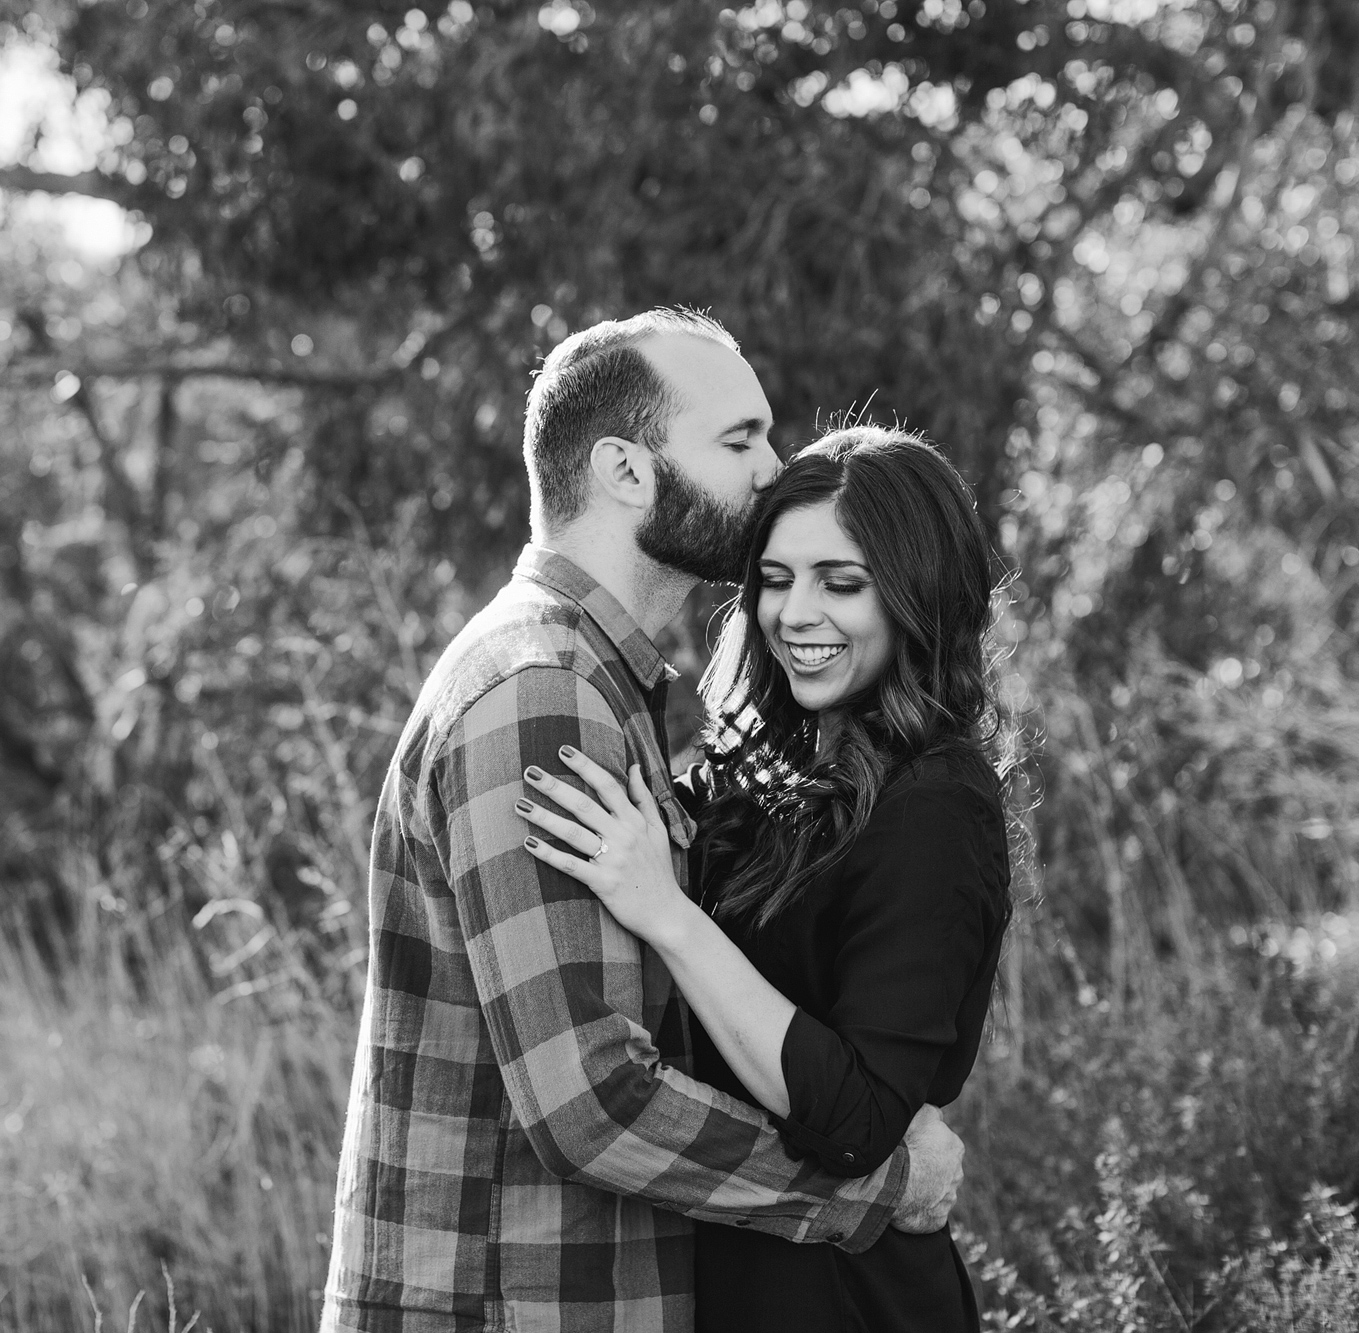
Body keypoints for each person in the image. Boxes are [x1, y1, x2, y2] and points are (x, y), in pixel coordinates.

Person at [319, 313, 968, 1333]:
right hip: (507, 1302)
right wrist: (877, 1188)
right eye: (737, 440)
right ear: (625, 469)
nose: (772, 467)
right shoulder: (541, 691)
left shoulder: (598, 685)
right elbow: (592, 1101)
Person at [516, 425, 1014, 1331]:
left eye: (843, 583)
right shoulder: (759, 765)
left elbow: (859, 1117)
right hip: (722, 1270)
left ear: (917, 596)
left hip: (843, 1298)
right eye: (777, 580)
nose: (796, 614)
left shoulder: (937, 805)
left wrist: (670, 915)